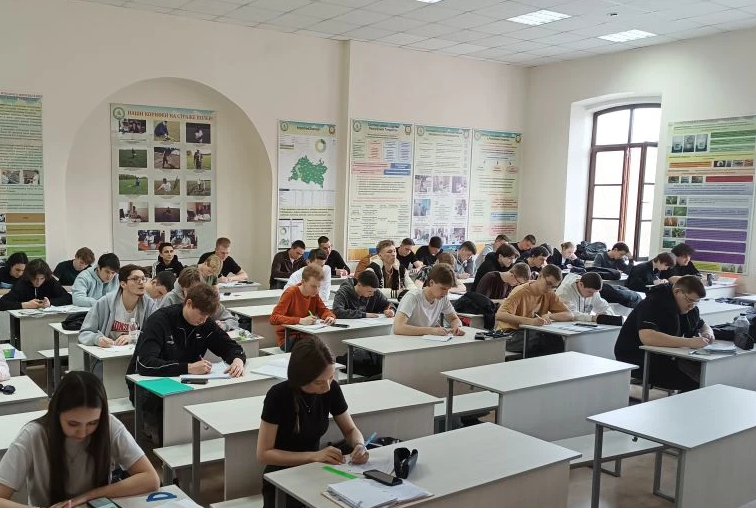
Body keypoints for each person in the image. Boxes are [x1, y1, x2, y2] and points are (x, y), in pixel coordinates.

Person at [0, 371, 160, 508]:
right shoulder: (33, 435)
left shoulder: (108, 425)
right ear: (57, 413)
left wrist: (86, 497)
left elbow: (151, 479)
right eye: (73, 423)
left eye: (92, 423)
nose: (82, 433)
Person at [257, 337, 369, 508]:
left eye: (330, 377)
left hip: (315, 469)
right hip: (281, 476)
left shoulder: (331, 389)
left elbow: (350, 430)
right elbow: (264, 454)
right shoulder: (278, 395)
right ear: (301, 377)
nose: (327, 387)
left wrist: (360, 445)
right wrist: (313, 456)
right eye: (319, 382)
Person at [614, 276, 713, 391]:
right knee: (696, 382)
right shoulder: (653, 303)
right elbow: (648, 337)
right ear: (677, 292)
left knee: (707, 375)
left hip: (666, 357)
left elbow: (702, 324)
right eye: (690, 300)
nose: (692, 306)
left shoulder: (689, 307)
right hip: (638, 358)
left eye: (696, 302)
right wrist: (689, 342)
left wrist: (708, 332)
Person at [127, 284, 246, 378]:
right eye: (201, 314)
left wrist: (237, 360)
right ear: (189, 303)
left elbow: (231, 347)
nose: (203, 320)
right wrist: (189, 368)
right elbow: (145, 364)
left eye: (207, 316)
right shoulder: (159, 321)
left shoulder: (206, 323)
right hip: (151, 385)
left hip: (187, 382)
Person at [496, 265, 574, 357]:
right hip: (509, 335)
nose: (549, 289)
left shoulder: (550, 293)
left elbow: (570, 315)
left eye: (554, 287)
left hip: (531, 332)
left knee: (555, 338)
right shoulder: (520, 292)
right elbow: (500, 315)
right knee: (544, 339)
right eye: (548, 283)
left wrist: (549, 316)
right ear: (540, 276)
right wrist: (531, 321)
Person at [79, 264, 157, 348]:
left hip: (137, 353)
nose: (141, 282)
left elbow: (156, 332)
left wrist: (134, 337)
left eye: (143, 278)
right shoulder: (104, 303)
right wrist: (98, 339)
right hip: (109, 352)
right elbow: (85, 333)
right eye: (135, 279)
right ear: (123, 284)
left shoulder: (149, 304)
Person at [270, 266, 336, 350]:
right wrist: (300, 320)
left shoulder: (314, 294)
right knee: (316, 350)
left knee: (328, 345)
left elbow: (323, 310)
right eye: (313, 286)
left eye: (318, 286)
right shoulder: (290, 293)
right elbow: (274, 318)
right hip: (289, 338)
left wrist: (330, 316)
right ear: (303, 282)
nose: (317, 290)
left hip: (307, 335)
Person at [393, 263, 464, 336]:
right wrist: (431, 330)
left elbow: (454, 319)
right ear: (431, 283)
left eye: (448, 289)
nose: (446, 293)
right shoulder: (413, 297)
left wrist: (456, 327)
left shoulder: (443, 298)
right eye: (443, 288)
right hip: (404, 340)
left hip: (424, 339)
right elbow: (398, 328)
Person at [159, 267, 239, 332]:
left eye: (197, 290)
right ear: (182, 287)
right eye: (189, 290)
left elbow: (233, 320)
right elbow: (160, 324)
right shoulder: (170, 298)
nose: (193, 294)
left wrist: (223, 325)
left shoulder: (206, 298)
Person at [0, 259, 72, 311]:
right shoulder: (22, 283)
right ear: (29, 276)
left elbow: (68, 298)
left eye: (42, 278)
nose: (38, 282)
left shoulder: (50, 281)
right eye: (35, 278)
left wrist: (50, 302)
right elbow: (2, 303)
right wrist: (24, 305)